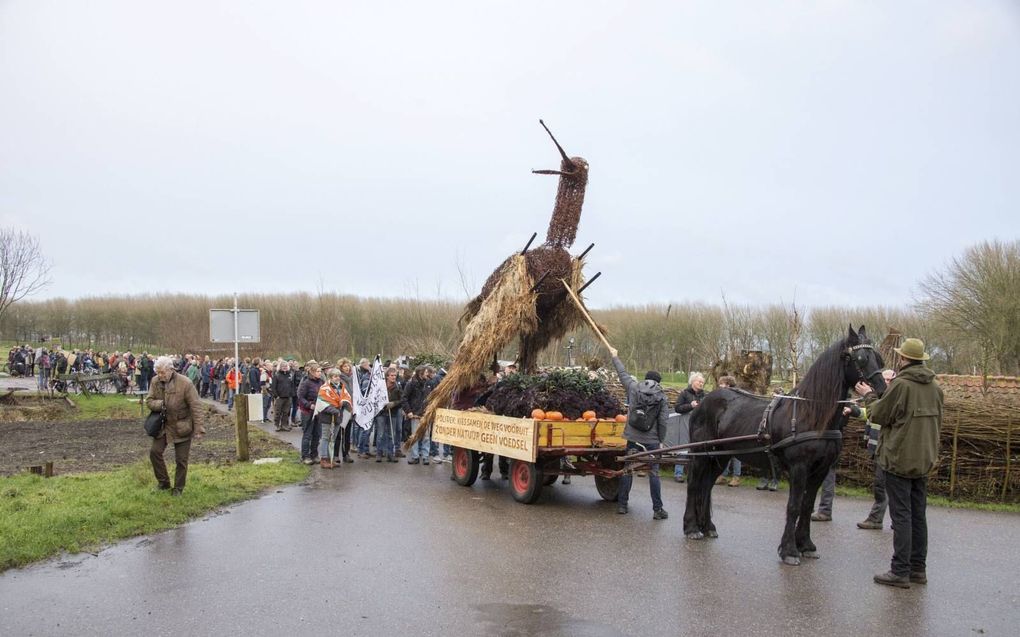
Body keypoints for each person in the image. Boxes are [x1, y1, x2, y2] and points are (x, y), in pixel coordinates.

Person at [856, 338, 943, 589]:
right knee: (918, 516)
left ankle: (899, 571)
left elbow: (878, 415)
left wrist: (869, 395)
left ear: (904, 360)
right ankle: (918, 569)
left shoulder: (901, 385)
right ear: (922, 359)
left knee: (901, 516)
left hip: (899, 459)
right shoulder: (935, 388)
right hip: (924, 459)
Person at [609, 346, 669, 520]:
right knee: (654, 473)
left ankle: (622, 505)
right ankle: (658, 509)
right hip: (651, 441)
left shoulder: (634, 388)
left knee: (628, 470)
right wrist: (661, 440)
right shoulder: (662, 397)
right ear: (658, 382)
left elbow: (623, 374)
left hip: (633, 439)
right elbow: (663, 421)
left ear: (646, 380)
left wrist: (615, 357)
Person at [145, 355, 205, 496]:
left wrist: (199, 428)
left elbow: (196, 406)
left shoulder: (185, 383)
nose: (160, 375)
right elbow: (149, 401)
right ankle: (163, 482)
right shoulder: (155, 382)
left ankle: (178, 488)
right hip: (163, 426)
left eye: (162, 372)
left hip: (182, 425)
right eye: (158, 372)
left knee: (181, 460)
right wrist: (161, 404)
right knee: (155, 452)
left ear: (171, 369)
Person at [858, 369, 897, 530]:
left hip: (889, 451)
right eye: (884, 380)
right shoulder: (879, 399)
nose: (886, 383)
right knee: (885, 487)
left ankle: (877, 519)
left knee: (883, 486)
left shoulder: (892, 400)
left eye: (889, 380)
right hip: (877, 449)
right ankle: (897, 520)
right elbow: (869, 416)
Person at [673, 372, 706, 483]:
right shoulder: (685, 393)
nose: (701, 384)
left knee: (697, 450)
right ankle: (678, 473)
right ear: (692, 382)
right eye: (699, 381)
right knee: (683, 449)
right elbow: (677, 408)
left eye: (702, 382)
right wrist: (690, 406)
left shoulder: (704, 395)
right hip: (685, 424)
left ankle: (694, 475)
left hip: (699, 426)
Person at [316, 369, 353, 468]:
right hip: (327, 417)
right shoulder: (324, 388)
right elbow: (322, 403)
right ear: (330, 377)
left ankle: (330, 458)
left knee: (333, 438)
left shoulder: (342, 387)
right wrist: (334, 410)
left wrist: (344, 403)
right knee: (325, 437)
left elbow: (347, 398)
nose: (337, 378)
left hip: (338, 416)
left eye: (338, 376)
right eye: (335, 376)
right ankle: (324, 458)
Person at [714, 375, 742, 487]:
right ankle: (723, 475)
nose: (720, 386)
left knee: (736, 454)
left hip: (736, 428)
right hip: (724, 428)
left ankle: (736, 477)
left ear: (728, 385)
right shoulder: (722, 396)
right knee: (724, 452)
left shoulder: (736, 396)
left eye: (722, 384)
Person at [402, 365, 432, 465]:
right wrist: (409, 411)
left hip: (426, 414)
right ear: (421, 373)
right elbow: (404, 398)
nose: (428, 374)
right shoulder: (411, 384)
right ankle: (415, 457)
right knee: (415, 436)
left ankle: (425, 457)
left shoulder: (429, 383)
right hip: (415, 414)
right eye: (426, 372)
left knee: (426, 437)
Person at [297, 362, 324, 465]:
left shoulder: (321, 382)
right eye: (317, 371)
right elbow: (300, 396)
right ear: (312, 372)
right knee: (308, 434)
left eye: (320, 371)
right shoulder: (306, 382)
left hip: (319, 411)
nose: (319, 373)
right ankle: (305, 456)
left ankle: (314, 454)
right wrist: (309, 405)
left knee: (317, 434)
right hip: (308, 411)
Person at [269, 361, 294, 432]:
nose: (285, 367)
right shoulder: (277, 375)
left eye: (286, 366)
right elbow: (273, 387)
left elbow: (292, 385)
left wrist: (292, 394)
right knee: (278, 412)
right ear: (280, 367)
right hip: (279, 397)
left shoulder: (290, 375)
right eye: (283, 366)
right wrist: (276, 396)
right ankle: (277, 425)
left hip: (288, 397)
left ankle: (284, 425)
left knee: (286, 412)